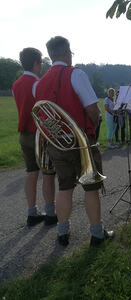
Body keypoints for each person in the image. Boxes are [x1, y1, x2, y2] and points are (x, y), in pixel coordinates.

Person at [35, 36, 114, 247]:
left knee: (65, 186)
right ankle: (97, 234)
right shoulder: (76, 74)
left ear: (51, 56)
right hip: (80, 143)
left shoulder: (39, 83)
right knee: (90, 188)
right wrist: (93, 131)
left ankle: (63, 233)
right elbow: (93, 111)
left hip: (56, 144)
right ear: (67, 52)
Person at [12, 47, 57, 227]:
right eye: (41, 63)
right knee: (48, 173)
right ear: (36, 63)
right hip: (39, 135)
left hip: (24, 134)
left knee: (31, 173)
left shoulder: (16, 84)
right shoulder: (36, 83)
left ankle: (32, 212)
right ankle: (50, 213)